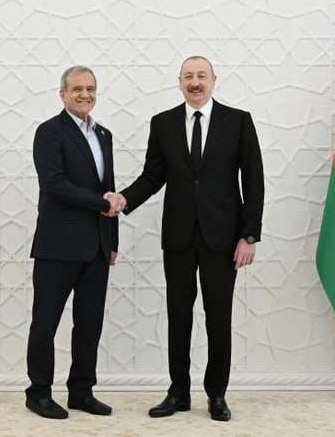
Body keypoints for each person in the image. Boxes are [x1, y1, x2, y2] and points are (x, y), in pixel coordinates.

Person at [106, 56, 264, 422]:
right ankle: (178, 392)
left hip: (223, 238)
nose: (195, 82)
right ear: (179, 82)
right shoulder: (162, 123)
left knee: (218, 318)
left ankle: (217, 394)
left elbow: (253, 181)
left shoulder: (238, 121)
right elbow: (153, 176)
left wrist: (249, 235)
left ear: (214, 80)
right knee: (178, 316)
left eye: (201, 76)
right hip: (178, 236)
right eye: (188, 76)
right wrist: (124, 199)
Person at [25, 66, 125, 419]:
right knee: (46, 322)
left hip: (96, 247)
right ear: (63, 94)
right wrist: (101, 203)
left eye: (90, 88)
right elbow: (54, 184)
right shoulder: (49, 132)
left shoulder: (103, 134)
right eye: (77, 89)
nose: (85, 94)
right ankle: (38, 393)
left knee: (89, 323)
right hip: (58, 246)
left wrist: (112, 240)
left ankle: (81, 391)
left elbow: (108, 188)